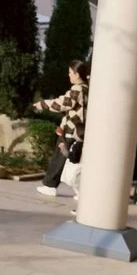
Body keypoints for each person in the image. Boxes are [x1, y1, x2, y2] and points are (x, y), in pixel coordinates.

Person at [33, 60, 89, 197]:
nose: (68, 75)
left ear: (77, 74)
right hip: (78, 129)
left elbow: (63, 103)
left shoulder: (77, 89)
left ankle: (50, 185)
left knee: (60, 157)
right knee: (73, 160)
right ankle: (79, 191)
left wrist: (43, 104)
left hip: (72, 128)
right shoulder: (86, 88)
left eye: (70, 72)